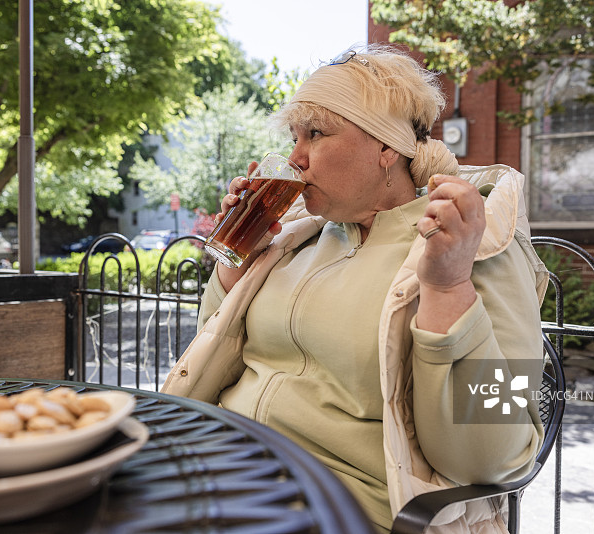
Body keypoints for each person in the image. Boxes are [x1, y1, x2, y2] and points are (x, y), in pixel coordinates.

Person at [162, 46, 549, 534]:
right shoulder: (298, 238)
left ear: (387, 147)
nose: (295, 158)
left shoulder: (472, 242)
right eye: (293, 136)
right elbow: (209, 359)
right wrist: (237, 269)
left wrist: (448, 287)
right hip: (227, 472)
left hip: (345, 508)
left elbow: (495, 456)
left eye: (316, 134)